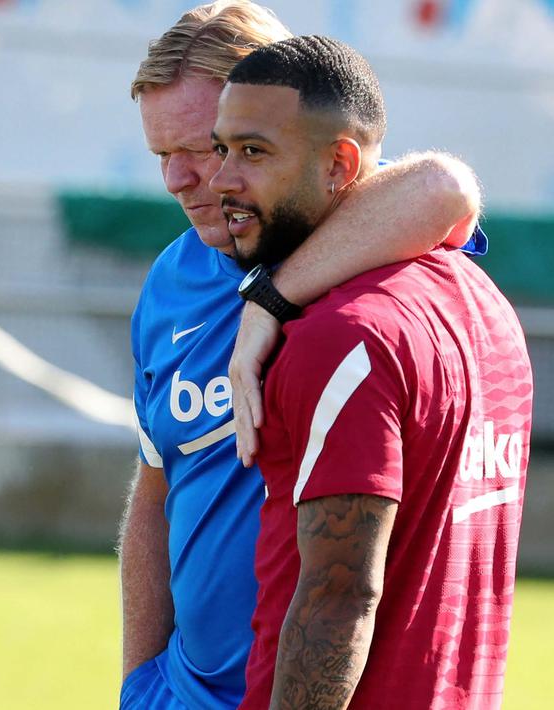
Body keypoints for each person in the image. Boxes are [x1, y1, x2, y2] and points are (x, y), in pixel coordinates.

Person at [118, 3, 485, 708]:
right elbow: (155, 490)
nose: (182, 179)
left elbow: (443, 186)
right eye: (162, 156)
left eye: (205, 147)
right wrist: (139, 683)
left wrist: (269, 300)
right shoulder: (172, 278)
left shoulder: (368, 247)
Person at [208, 35, 531, 709]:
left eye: (254, 152)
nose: (220, 181)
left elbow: (339, 600)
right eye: (221, 149)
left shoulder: (339, 341)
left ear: (338, 165)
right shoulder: (485, 306)